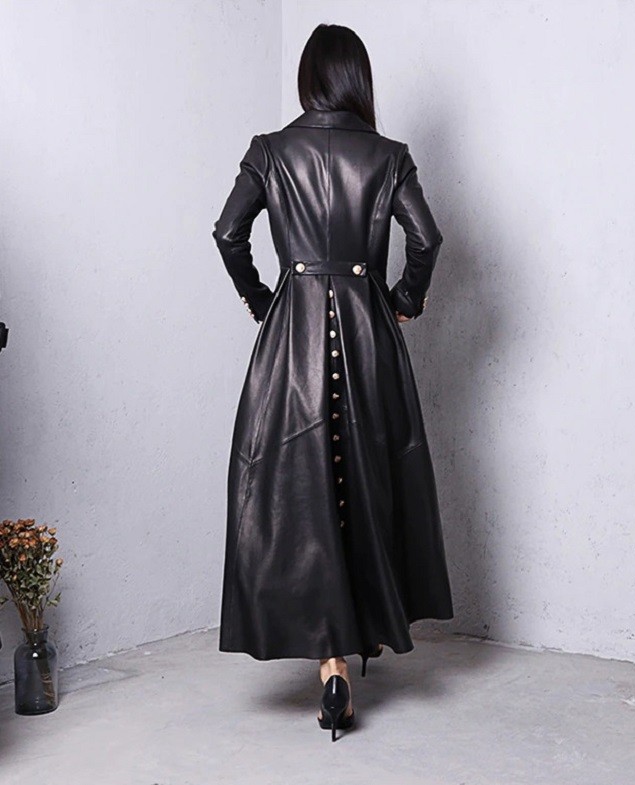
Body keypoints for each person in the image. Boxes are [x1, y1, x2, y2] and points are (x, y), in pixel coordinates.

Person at [211, 23, 453, 741]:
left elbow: (227, 233)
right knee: (367, 478)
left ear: (308, 78)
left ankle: (331, 663)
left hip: (292, 337)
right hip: (367, 331)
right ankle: (355, 637)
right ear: (356, 79)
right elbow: (427, 239)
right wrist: (403, 301)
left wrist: (263, 297)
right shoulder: (388, 155)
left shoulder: (269, 151)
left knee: (298, 488)